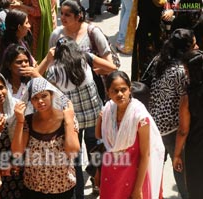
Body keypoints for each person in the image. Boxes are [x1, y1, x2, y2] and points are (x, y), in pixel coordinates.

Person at [46, 37, 103, 195]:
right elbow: (111, 66)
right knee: (95, 151)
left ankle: (79, 195)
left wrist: (47, 59)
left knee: (75, 160)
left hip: (72, 122)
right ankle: (98, 181)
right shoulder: (86, 59)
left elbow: (38, 80)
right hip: (93, 117)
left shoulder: (53, 71)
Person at [95, 71, 165, 199]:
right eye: (115, 91)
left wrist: (138, 189)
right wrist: (100, 117)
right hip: (110, 173)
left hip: (132, 175)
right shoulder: (108, 110)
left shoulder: (140, 117)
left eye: (123, 89)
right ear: (108, 92)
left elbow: (145, 155)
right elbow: (99, 136)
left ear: (129, 90)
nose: (120, 94)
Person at [11, 77, 80, 198]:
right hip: (34, 188)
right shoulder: (27, 121)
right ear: (30, 101)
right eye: (35, 98)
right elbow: (17, 152)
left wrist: (69, 121)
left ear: (52, 95)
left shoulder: (67, 118)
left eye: (44, 96)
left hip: (63, 188)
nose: (40, 101)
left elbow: (73, 152)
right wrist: (20, 121)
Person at [149, 28, 198, 199]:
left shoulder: (159, 60)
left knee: (156, 165)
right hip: (172, 128)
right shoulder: (181, 71)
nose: (197, 46)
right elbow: (185, 104)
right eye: (194, 44)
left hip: (154, 124)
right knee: (179, 165)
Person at [174, 50, 203, 198]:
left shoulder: (187, 97)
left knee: (196, 186)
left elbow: (183, 130)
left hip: (196, 148)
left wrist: (177, 154)